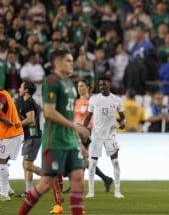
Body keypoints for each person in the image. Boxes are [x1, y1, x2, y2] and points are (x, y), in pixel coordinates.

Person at [18, 50, 90, 215]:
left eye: (72, 61)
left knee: (78, 179)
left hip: (70, 141)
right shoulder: (51, 82)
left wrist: (79, 144)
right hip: (55, 140)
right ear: (58, 62)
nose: (72, 63)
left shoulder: (71, 86)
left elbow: (69, 117)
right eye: (68, 61)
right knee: (45, 183)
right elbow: (49, 112)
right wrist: (75, 128)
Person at [83, 76, 126, 199]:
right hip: (96, 136)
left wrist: (123, 123)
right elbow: (88, 117)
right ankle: (91, 191)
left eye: (104, 84)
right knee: (92, 164)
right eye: (100, 85)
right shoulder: (94, 99)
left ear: (110, 84)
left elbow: (122, 117)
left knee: (116, 163)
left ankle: (117, 191)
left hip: (110, 136)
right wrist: (83, 130)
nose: (102, 87)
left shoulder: (117, 100)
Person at [72, 79, 113, 192]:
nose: (80, 88)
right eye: (78, 86)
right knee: (84, 159)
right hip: (76, 131)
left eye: (82, 86)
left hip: (86, 131)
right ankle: (105, 178)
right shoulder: (76, 101)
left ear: (88, 88)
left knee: (78, 157)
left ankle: (77, 184)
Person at [15, 81, 42, 197]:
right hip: (30, 136)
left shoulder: (28, 102)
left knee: (27, 165)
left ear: (26, 90)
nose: (19, 88)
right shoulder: (27, 102)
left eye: (21, 87)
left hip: (33, 136)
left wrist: (17, 125)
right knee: (25, 164)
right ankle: (28, 191)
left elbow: (30, 119)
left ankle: (50, 177)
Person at [0, 87, 24, 201]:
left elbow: (1, 105)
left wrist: (4, 120)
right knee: (2, 162)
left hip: (11, 134)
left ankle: (4, 192)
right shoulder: (5, 93)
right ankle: (8, 189)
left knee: (2, 161)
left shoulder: (1, 95)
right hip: (10, 133)